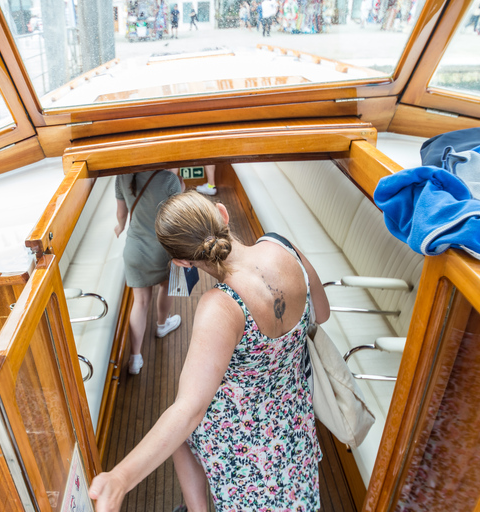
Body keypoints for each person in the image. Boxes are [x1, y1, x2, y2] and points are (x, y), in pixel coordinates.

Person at [90, 190, 330, 511]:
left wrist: (120, 478)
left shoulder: (221, 306)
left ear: (181, 261)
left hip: (246, 435)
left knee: (184, 429)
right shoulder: (283, 247)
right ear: (223, 212)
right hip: (290, 409)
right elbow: (322, 313)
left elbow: (189, 410)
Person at [114, 171, 184, 375]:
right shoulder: (169, 179)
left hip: (135, 250)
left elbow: (121, 213)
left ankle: (135, 358)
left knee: (141, 303)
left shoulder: (121, 177)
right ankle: (162, 325)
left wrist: (120, 227)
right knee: (166, 287)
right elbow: (179, 216)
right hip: (162, 248)